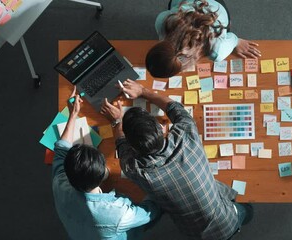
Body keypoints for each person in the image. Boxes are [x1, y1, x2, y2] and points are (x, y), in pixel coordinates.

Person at [101, 80, 253, 240]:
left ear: (134, 148)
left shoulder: (135, 169)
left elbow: (121, 144)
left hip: (196, 234)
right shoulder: (187, 133)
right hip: (227, 217)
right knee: (247, 211)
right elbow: (173, 107)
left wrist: (117, 121)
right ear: (159, 128)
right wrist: (144, 91)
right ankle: (246, 215)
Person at [52, 87, 162, 240]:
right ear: (102, 173)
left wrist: (73, 114)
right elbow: (149, 213)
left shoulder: (60, 181)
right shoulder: (116, 213)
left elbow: (62, 148)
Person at [146, 0, 262, 78]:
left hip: (215, 7)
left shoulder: (217, 52)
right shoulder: (162, 21)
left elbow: (231, 38)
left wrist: (236, 41)